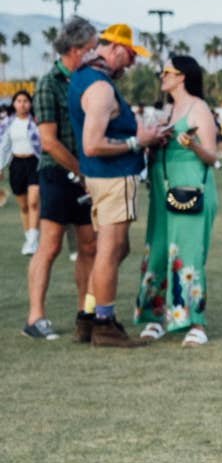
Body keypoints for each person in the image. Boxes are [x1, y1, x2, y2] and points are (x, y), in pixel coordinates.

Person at [68, 23, 167, 349]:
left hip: (99, 177)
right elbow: (93, 143)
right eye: (129, 55)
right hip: (112, 177)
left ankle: (89, 315)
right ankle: (104, 324)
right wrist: (139, 142)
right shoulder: (100, 87)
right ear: (112, 48)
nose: (132, 63)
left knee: (114, 249)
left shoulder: (83, 78)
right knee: (110, 250)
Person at [133, 55, 218, 347]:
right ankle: (157, 317)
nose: (162, 76)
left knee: (188, 252)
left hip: (190, 186)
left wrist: (190, 144)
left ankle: (195, 322)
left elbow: (212, 155)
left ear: (182, 76)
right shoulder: (168, 111)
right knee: (157, 249)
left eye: (167, 71)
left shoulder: (198, 108)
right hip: (161, 185)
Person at [23, 17, 100, 341]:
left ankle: (86, 314)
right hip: (56, 173)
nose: (95, 54)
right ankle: (35, 317)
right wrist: (81, 172)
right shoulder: (48, 83)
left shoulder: (88, 80)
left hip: (86, 174)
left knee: (88, 245)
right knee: (50, 245)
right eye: (91, 48)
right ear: (74, 49)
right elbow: (49, 142)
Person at [1, 90, 42, 254]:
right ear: (14, 103)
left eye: (25, 101)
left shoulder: (36, 123)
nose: (22, 104)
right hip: (16, 165)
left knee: (33, 202)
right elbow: (3, 147)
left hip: (34, 163)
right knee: (24, 206)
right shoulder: (7, 124)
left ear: (30, 103)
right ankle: (29, 238)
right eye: (19, 101)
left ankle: (33, 242)